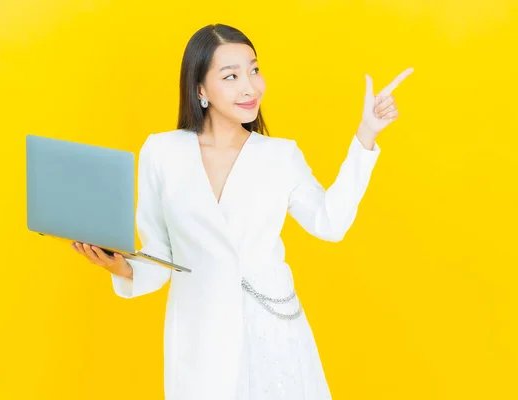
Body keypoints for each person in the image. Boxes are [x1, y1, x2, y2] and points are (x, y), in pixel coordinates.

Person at [72, 23, 413, 400]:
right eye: (231, 76)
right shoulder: (162, 152)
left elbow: (329, 223)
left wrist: (366, 135)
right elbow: (162, 253)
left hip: (272, 332)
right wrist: (117, 266)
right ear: (200, 89)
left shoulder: (280, 155)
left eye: (253, 70)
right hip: (198, 337)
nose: (250, 87)